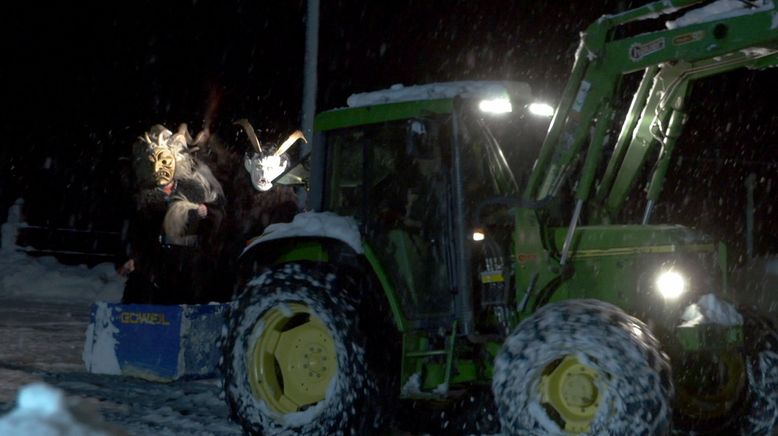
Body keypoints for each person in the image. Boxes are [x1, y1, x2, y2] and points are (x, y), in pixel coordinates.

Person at [117, 124, 227, 304]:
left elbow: (217, 221)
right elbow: (133, 232)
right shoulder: (142, 199)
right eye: (153, 162)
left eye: (165, 161)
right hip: (154, 266)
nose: (160, 167)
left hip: (190, 264)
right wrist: (129, 257)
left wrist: (205, 214)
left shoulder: (196, 189)